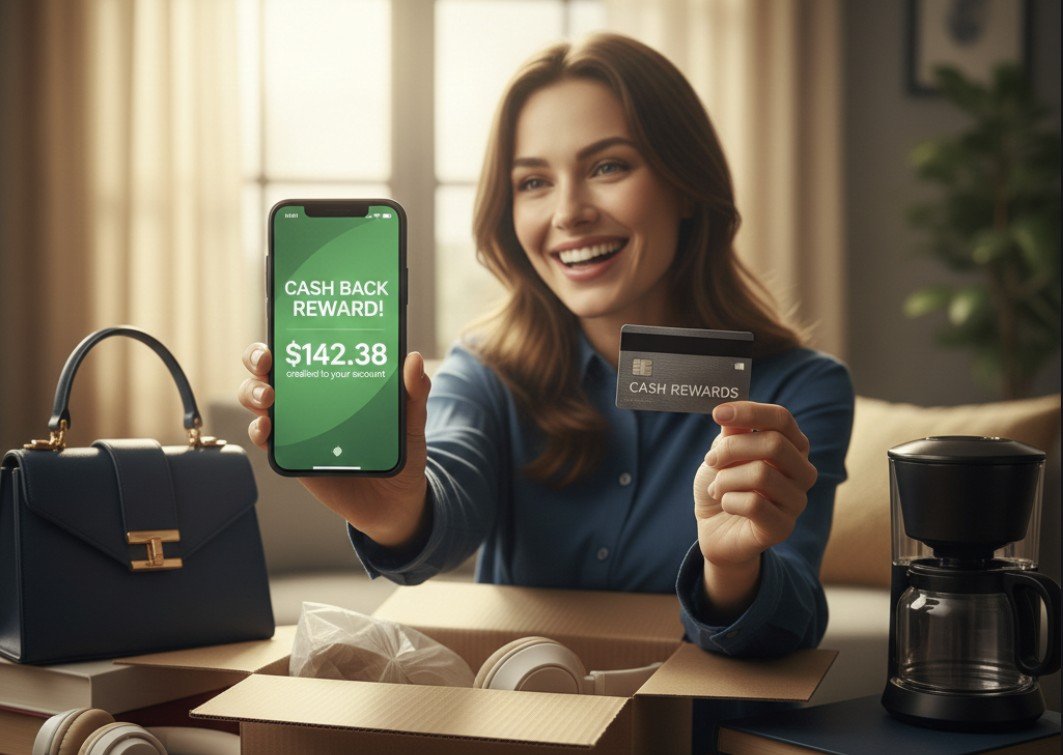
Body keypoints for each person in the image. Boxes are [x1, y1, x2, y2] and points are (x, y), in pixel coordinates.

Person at [239, 31, 853, 745]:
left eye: (608, 166)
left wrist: (729, 563)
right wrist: (396, 511)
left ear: (686, 185)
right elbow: (446, 501)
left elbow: (789, 620)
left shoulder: (798, 389)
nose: (567, 211)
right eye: (533, 181)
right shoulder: (486, 370)